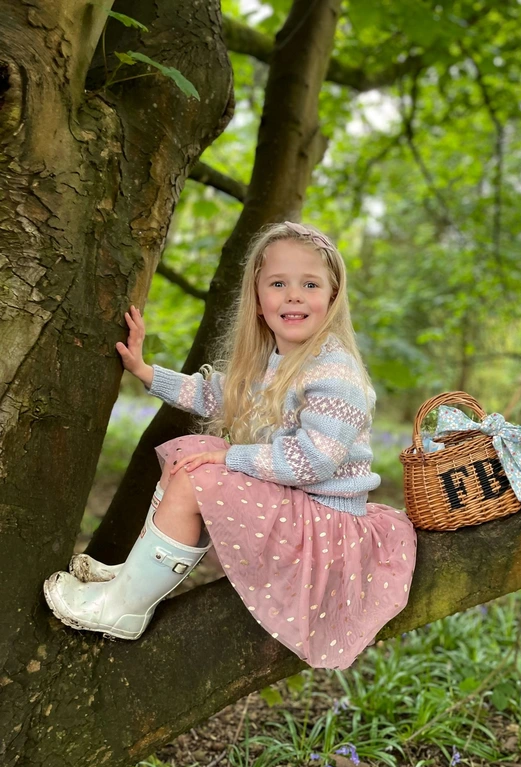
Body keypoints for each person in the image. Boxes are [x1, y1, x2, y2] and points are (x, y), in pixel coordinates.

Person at [44, 221, 417, 669]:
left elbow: (312, 461)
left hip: (324, 522)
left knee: (199, 472)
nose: (294, 295)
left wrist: (230, 457)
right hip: (299, 506)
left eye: (310, 284)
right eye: (278, 283)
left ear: (332, 299)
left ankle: (123, 609)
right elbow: (216, 394)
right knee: (188, 453)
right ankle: (133, 578)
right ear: (259, 302)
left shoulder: (335, 374)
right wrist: (146, 372)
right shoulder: (273, 361)